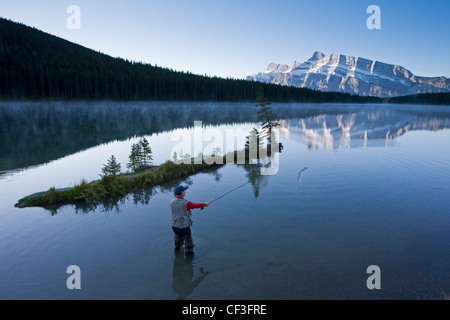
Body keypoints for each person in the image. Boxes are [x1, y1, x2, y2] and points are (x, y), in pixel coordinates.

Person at [170, 185, 210, 255]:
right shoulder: (186, 203)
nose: (185, 191)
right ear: (181, 193)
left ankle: (177, 253)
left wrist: (202, 205)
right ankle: (190, 260)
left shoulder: (171, 201)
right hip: (184, 227)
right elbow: (195, 205)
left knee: (178, 242)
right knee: (189, 244)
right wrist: (204, 204)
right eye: (184, 190)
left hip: (174, 226)